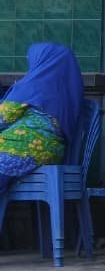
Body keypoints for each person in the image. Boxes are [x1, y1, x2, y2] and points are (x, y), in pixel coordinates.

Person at [0, 42, 82, 196]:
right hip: (51, 153)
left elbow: (2, 117)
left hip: (19, 148)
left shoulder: (31, 85)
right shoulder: (65, 93)